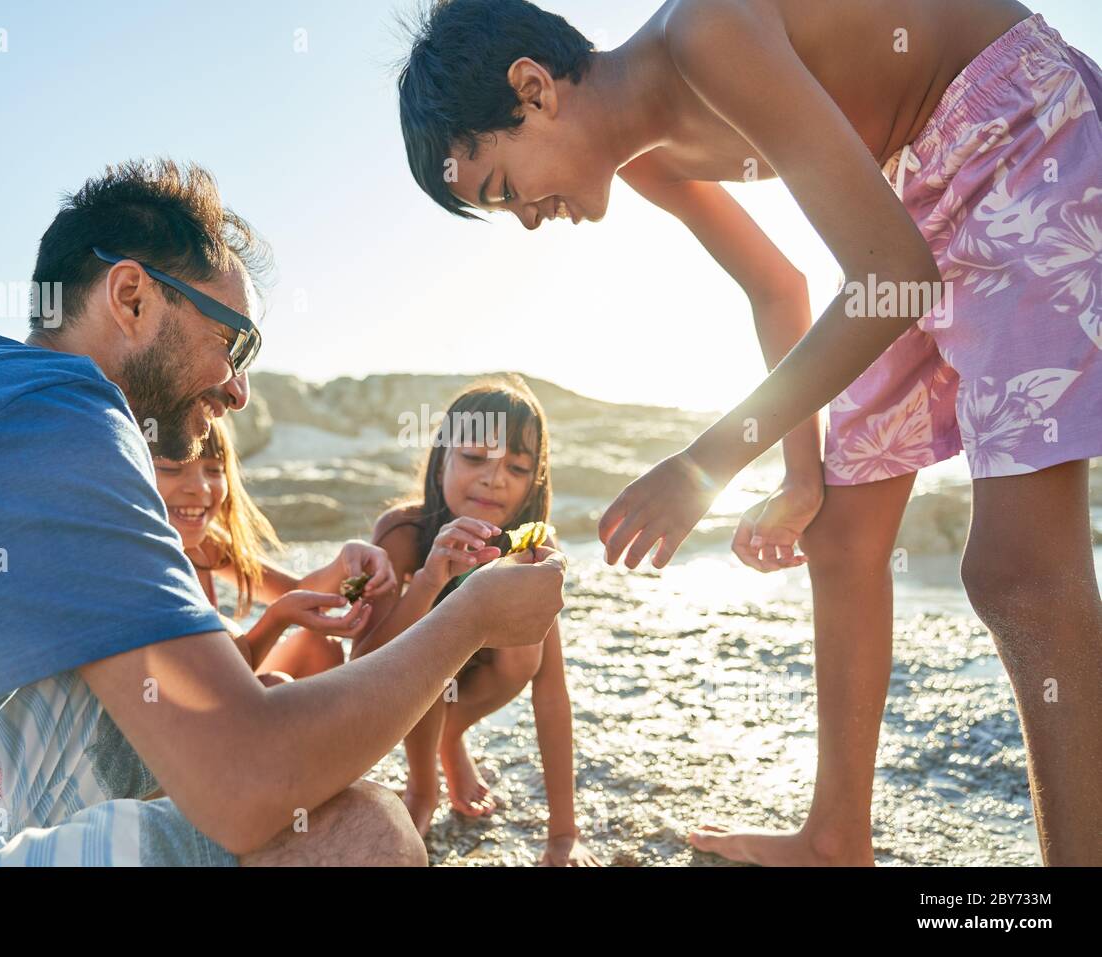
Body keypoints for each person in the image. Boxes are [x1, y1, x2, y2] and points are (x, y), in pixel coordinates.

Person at [396, 0, 1102, 864]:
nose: (528, 218)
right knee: (842, 536)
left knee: (1018, 574)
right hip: (907, 194)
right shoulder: (647, 158)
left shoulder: (707, 33)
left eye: (504, 188)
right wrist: (800, 475)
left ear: (533, 89)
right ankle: (835, 835)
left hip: (1014, 131)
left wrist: (705, 463)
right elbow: (778, 287)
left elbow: (893, 277)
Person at [0, 157, 566, 867]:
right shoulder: (59, 417)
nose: (236, 389)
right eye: (231, 342)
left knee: (251, 708)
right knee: (364, 830)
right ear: (130, 297)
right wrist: (470, 618)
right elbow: (246, 783)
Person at [353, 378, 598, 866]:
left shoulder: (531, 553)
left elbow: (550, 690)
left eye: (518, 466)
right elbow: (362, 663)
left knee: (526, 652)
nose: (494, 478)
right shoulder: (402, 532)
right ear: (440, 458)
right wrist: (426, 580)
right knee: (427, 646)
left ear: (536, 480)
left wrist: (563, 834)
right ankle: (423, 788)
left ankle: (450, 735)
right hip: (410, 688)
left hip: (467, 686)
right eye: (474, 457)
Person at [153, 420, 395, 684]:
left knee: (319, 645)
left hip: (220, 689)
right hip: (175, 709)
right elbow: (217, 675)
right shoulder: (139, 559)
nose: (200, 487)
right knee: (273, 684)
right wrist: (276, 619)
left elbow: (297, 591)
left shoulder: (206, 544)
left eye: (214, 470)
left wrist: (347, 563)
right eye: (171, 469)